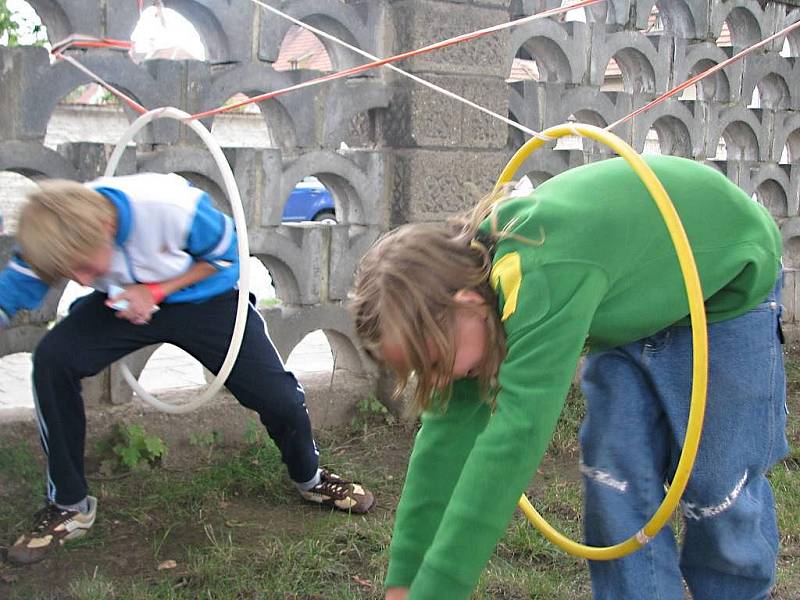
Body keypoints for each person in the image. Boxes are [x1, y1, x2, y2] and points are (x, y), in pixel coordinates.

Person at [352, 155, 787, 600]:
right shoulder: (472, 306)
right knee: (613, 477)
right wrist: (404, 582)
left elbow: (512, 443)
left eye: (435, 366)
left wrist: (438, 591)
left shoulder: (544, 274)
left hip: (727, 288)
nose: (440, 383)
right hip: (633, 303)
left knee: (717, 487)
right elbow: (440, 447)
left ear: (467, 303)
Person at [0, 173, 374, 566]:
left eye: (84, 267)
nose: (80, 280)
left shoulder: (171, 210)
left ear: (109, 228)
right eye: (70, 273)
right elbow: (16, 289)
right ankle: (69, 504)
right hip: (125, 301)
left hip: (205, 298)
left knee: (278, 398)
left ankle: (310, 479)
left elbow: (226, 261)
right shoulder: (53, 228)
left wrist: (157, 291)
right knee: (53, 360)